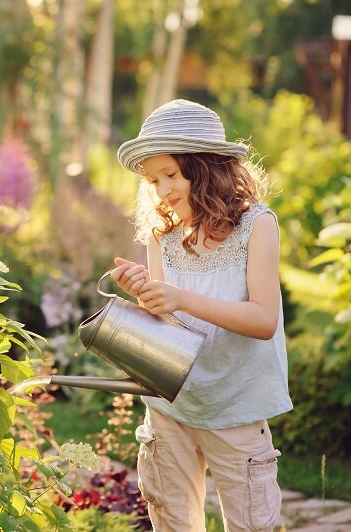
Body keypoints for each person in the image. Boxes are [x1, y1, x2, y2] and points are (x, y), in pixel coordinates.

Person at [110, 99, 293, 531]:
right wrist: (145, 296)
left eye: (171, 174)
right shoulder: (163, 234)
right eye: (154, 179)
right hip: (170, 407)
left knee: (250, 523)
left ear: (207, 166)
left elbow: (263, 320)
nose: (162, 189)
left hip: (235, 408)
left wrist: (179, 298)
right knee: (173, 522)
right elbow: (166, 326)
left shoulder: (256, 225)